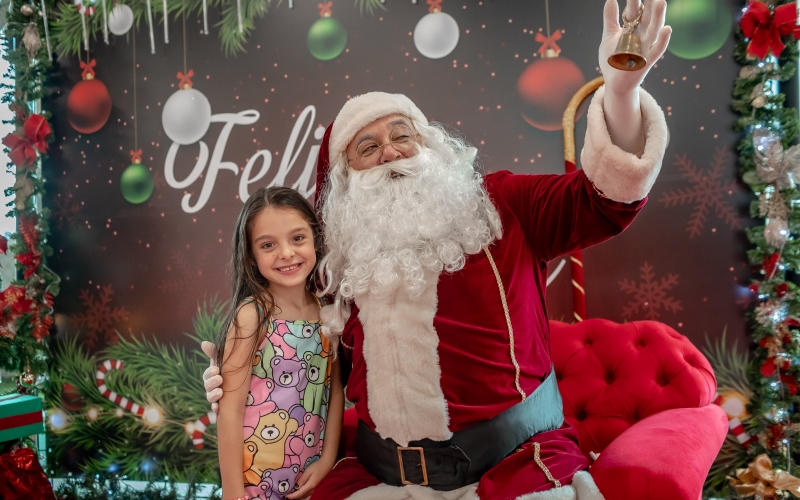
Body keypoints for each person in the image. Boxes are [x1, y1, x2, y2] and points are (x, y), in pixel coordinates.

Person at [204, 0, 671, 498]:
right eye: (367, 148)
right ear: (344, 179)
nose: (390, 152)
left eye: (401, 135)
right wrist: (237, 378)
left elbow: (602, 201)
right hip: (381, 475)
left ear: (429, 145)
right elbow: (309, 365)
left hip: (513, 463)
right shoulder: (338, 260)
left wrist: (621, 95)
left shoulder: (502, 206)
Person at [212, 186, 344, 500]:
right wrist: (233, 494)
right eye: (268, 245)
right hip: (254, 482)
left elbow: (335, 392)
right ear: (251, 255)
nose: (286, 253)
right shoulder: (252, 315)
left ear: (315, 239)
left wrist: (327, 460)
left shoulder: (327, 312)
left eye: (297, 238)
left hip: (309, 476)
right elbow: (229, 411)